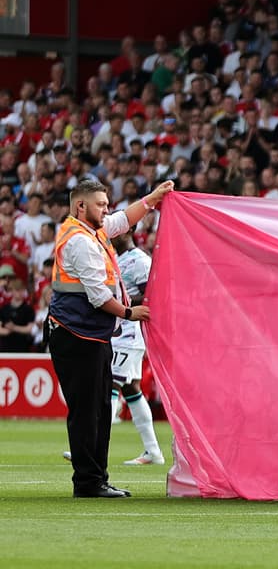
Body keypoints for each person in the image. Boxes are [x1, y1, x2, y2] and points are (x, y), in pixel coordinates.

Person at [48, 178, 174, 498]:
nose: (107, 210)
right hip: (78, 334)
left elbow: (123, 219)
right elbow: (97, 296)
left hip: (88, 333)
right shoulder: (80, 240)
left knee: (100, 408)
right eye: (101, 204)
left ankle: (95, 478)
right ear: (81, 206)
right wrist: (131, 313)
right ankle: (89, 482)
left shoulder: (91, 230)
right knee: (89, 410)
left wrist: (153, 199)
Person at [109, 232, 164, 465]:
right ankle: (153, 451)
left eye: (118, 231)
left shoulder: (139, 260)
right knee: (131, 388)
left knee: (109, 383)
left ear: (130, 232)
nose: (113, 235)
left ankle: (92, 448)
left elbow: (154, 296)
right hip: (119, 333)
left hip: (131, 334)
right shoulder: (116, 258)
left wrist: (126, 302)